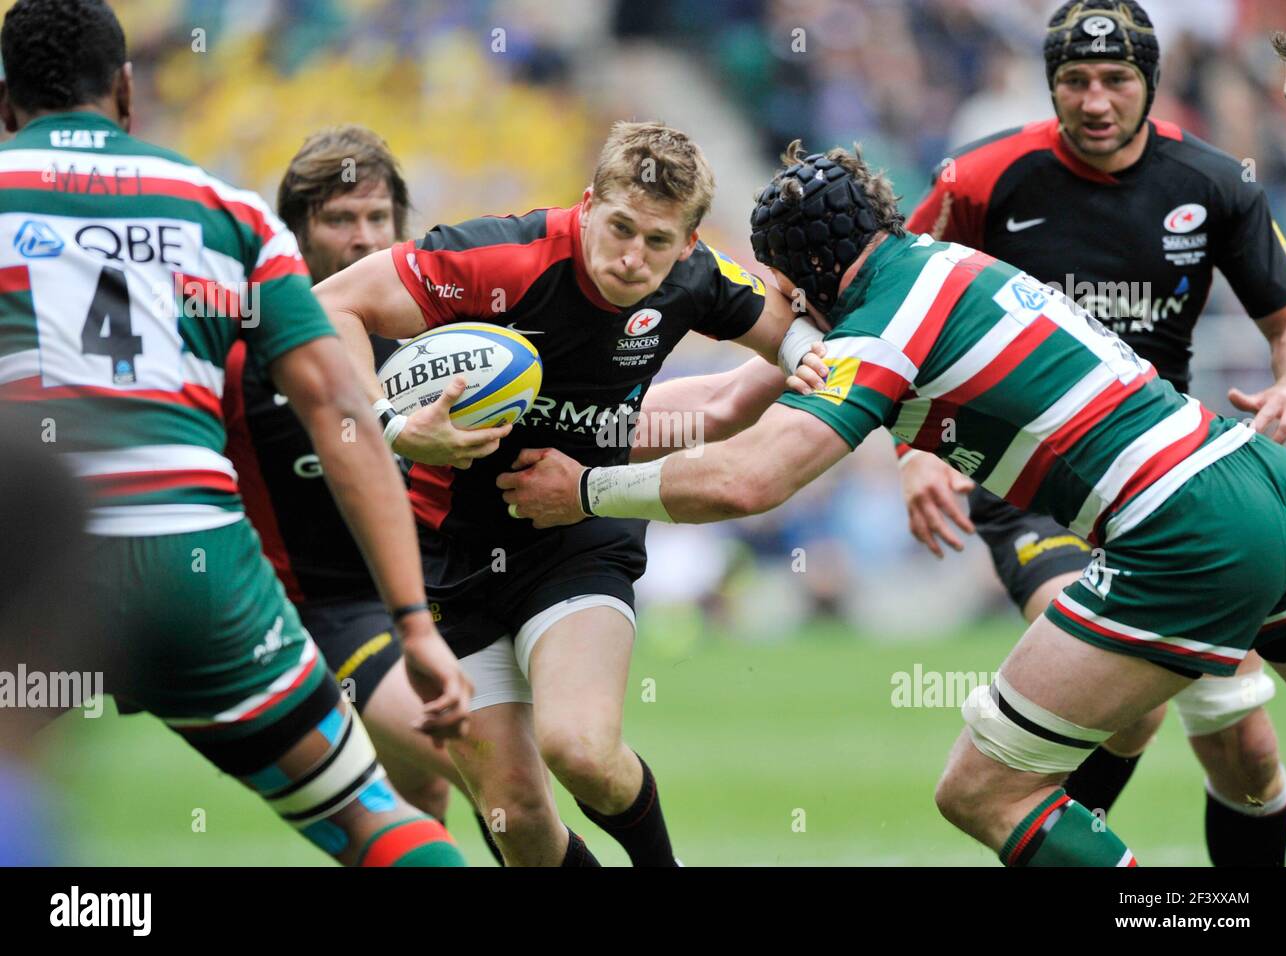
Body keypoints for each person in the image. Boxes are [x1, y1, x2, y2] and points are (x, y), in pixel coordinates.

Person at [499, 141, 1286, 866]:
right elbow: (718, 407)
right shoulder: (931, 269)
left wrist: (584, 491)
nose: (779, 306)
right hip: (1260, 476)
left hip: (1186, 527)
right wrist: (558, 426)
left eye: (779, 285)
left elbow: (753, 478)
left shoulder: (882, 325)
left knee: (983, 791)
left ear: (807, 274)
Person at [0, 0, 470, 866]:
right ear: (128, 92)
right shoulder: (227, 209)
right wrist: (414, 622)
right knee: (373, 818)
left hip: (31, 562)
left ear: (5, 104)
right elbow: (342, 412)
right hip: (199, 567)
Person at [315, 120, 812, 866]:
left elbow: (803, 336)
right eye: (619, 228)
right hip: (447, 552)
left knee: (579, 750)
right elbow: (329, 304)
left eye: (656, 240)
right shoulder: (497, 259)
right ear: (586, 205)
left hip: (578, 533)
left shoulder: (699, 275)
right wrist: (391, 426)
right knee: (518, 822)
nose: (631, 257)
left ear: (687, 241)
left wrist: (814, 355)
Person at [890, 0, 1286, 865]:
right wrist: (911, 454)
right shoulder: (983, 178)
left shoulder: (1217, 183)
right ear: (1050, 87)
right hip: (1030, 484)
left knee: (1250, 756)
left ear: (1150, 82)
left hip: (1176, 490)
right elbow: (888, 308)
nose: (1097, 99)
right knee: (1132, 706)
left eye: (1117, 79)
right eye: (1075, 80)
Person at [222, 125, 501, 861]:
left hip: (438, 593)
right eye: (339, 219)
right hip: (331, 614)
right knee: (488, 769)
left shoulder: (431, 341)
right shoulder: (250, 350)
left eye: (378, 218)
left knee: (425, 804)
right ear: (295, 233)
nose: (363, 238)